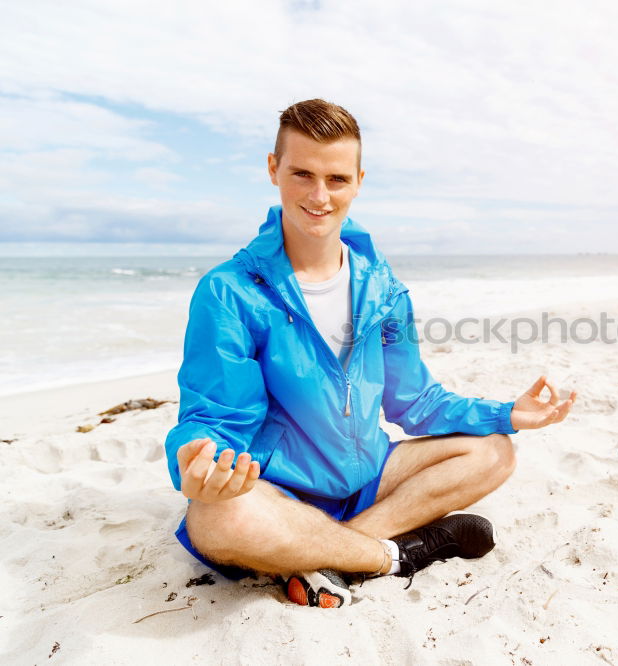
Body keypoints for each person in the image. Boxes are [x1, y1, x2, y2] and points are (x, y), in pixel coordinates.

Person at [163, 99, 576, 608]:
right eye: (302, 174)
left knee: (494, 450)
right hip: (279, 492)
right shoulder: (229, 291)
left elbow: (415, 402)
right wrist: (200, 460)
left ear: (358, 180)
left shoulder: (384, 290)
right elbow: (217, 417)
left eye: (336, 179)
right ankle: (396, 555)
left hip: (369, 479)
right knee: (216, 519)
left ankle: (329, 557)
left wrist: (507, 413)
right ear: (273, 170)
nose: (319, 196)